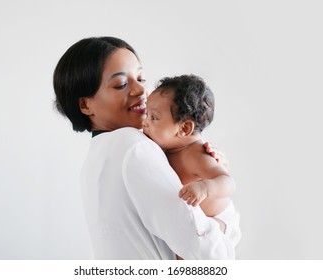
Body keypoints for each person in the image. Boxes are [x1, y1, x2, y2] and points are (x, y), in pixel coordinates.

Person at [53, 36, 237, 259]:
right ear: (85, 105)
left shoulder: (96, 159)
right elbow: (210, 254)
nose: (140, 90)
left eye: (141, 77)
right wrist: (227, 224)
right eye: (121, 84)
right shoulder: (133, 146)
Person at [142, 75, 242, 252]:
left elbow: (228, 182)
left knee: (189, 252)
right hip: (201, 221)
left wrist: (205, 188)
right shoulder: (166, 145)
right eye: (147, 114)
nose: (145, 122)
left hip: (221, 221)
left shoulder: (197, 154)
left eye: (154, 118)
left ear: (184, 128)